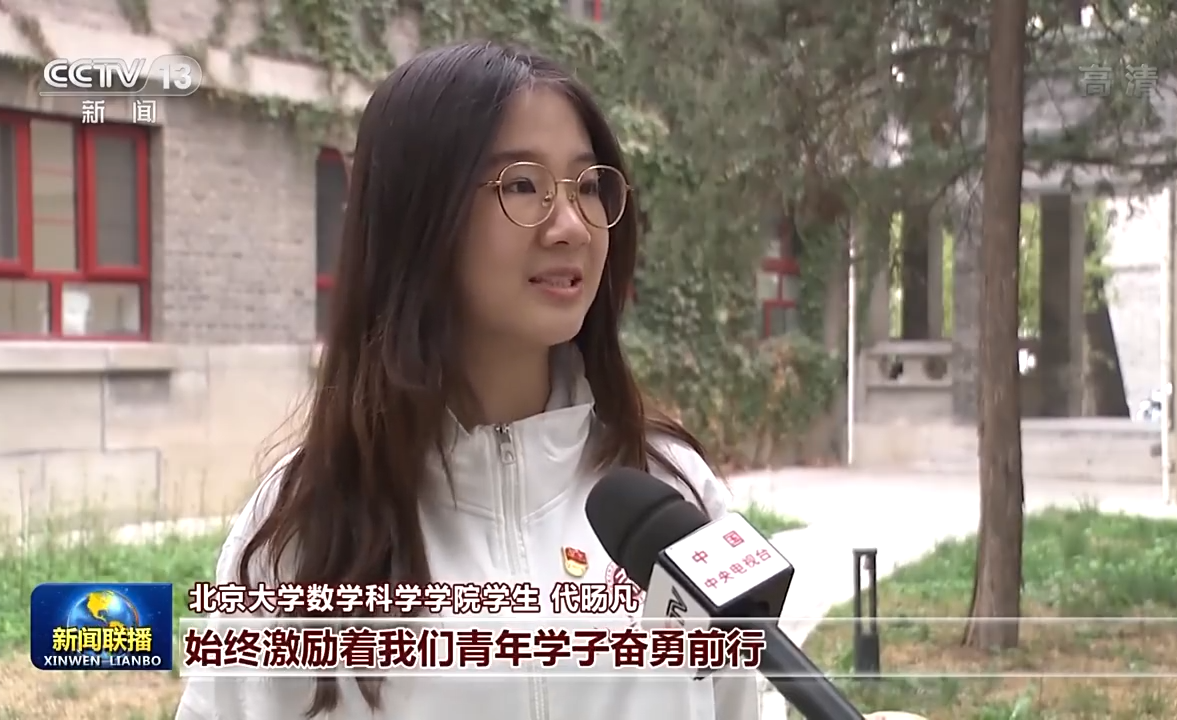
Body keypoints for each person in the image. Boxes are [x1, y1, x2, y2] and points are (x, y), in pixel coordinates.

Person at [174, 41, 760, 720]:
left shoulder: (674, 496)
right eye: (522, 185)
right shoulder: (299, 532)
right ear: (421, 216)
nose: (572, 226)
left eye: (587, 186)